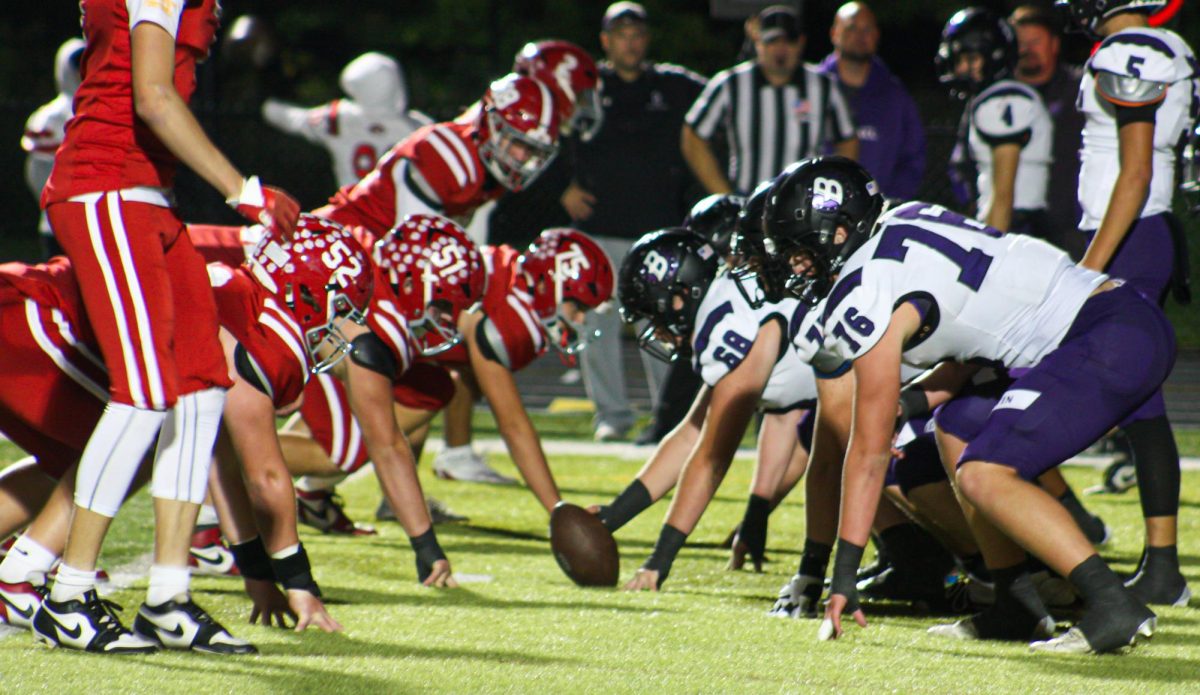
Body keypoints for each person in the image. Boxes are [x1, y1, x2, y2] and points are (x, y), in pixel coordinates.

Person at [768, 156, 1166, 654]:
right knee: (955, 426)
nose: (795, 264)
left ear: (841, 231)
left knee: (984, 471)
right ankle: (1015, 604)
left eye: (801, 249)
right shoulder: (905, 218)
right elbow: (972, 344)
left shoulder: (864, 289)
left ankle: (1113, 604)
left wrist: (842, 577)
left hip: (1103, 338)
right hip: (1115, 324)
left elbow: (868, 453)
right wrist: (908, 406)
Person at [33, 0, 300, 655]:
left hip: (148, 193)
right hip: (106, 186)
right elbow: (152, 96)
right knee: (146, 390)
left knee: (203, 384)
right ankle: (67, 595)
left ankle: (169, 596)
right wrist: (246, 189)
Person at [1059, 0, 1197, 607]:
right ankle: (1161, 567)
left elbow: (1135, 172)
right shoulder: (1171, 48)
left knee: (1099, 386)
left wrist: (1091, 265)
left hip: (1130, 234)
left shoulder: (1129, 51)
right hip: (1145, 232)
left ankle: (1062, 531)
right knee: (1141, 405)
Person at [560, 2, 706, 443]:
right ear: (605, 40)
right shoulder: (585, 88)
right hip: (599, 227)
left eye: (637, 33)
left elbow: (723, 100)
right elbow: (547, 132)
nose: (631, 41)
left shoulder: (674, 85)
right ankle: (613, 415)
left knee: (658, 325)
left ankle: (667, 416)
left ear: (647, 40)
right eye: (621, 34)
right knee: (598, 326)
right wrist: (560, 187)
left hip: (657, 232)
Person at [682, 4, 858, 197]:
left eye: (788, 40)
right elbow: (693, 136)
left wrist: (830, 187)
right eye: (772, 41)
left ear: (801, 42)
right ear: (758, 42)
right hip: (747, 204)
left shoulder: (823, 86)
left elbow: (848, 139)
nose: (780, 49)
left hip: (804, 208)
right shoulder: (730, 84)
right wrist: (724, 195)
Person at [937, 8, 1053, 237]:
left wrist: (990, 248)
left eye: (970, 58)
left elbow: (1003, 194)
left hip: (1013, 228)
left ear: (994, 57)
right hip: (1016, 225)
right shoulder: (998, 96)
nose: (960, 68)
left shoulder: (1003, 99)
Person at [262, 52, 433, 189]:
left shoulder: (340, 118)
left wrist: (264, 102)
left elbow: (292, 119)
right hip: (403, 219)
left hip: (353, 217)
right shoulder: (419, 128)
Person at [818, 3, 926, 200]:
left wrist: (887, 203)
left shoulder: (896, 96)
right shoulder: (814, 90)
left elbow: (913, 158)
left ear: (877, 35)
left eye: (867, 29)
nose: (860, 35)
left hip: (877, 217)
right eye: (851, 28)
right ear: (834, 33)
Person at [1009, 5, 1087, 257]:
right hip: (1010, 234)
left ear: (1054, 44)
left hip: (1071, 232)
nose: (1026, 50)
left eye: (1035, 41)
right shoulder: (997, 96)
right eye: (1020, 42)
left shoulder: (1082, 91)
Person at [21, 38, 86, 260]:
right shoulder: (50, 117)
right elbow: (38, 171)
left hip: (96, 219)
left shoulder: (103, 109)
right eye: (78, 63)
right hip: (59, 222)